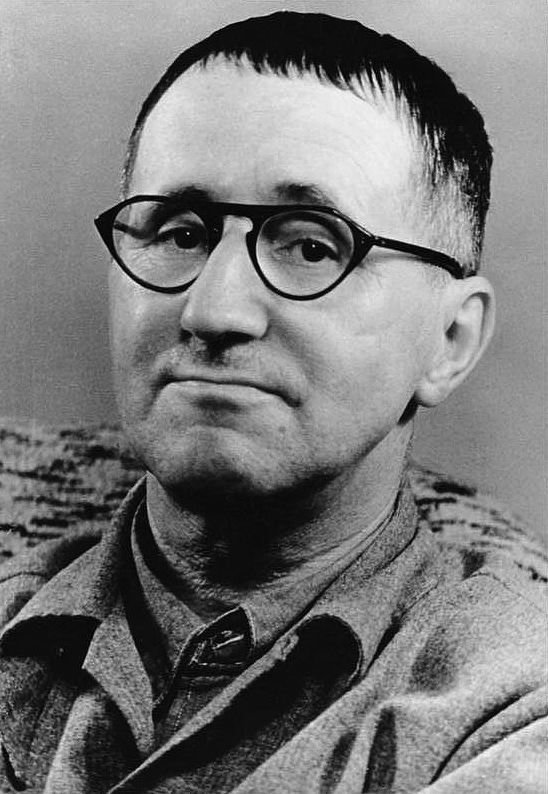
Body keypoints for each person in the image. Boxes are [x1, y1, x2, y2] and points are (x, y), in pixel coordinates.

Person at [0, 11, 545, 794]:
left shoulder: (510, 710)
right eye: (180, 233)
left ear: (450, 339)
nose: (214, 310)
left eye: (312, 246)